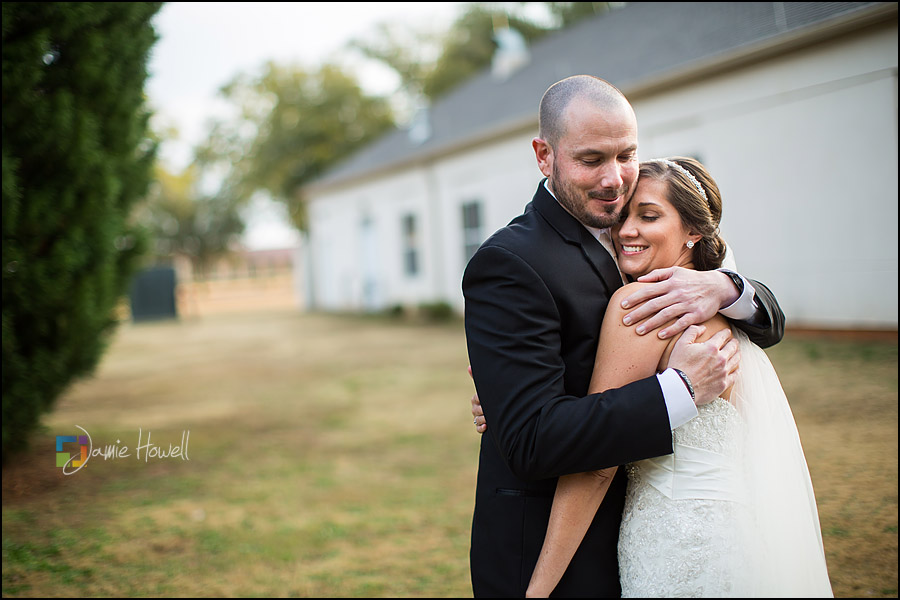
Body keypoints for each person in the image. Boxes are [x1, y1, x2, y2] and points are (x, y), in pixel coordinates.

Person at [462, 75, 785, 598]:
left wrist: (725, 286)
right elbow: (530, 439)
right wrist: (680, 390)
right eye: (591, 160)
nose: (614, 179)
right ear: (544, 156)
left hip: (662, 530)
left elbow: (770, 321)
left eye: (627, 155)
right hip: (547, 546)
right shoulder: (510, 262)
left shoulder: (658, 252)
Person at [514, 157, 833, 597]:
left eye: (649, 216)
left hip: (679, 548)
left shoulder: (642, 304)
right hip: (741, 540)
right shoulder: (718, 309)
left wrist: (538, 588)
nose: (626, 231)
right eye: (623, 216)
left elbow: (598, 466)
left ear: (693, 232)